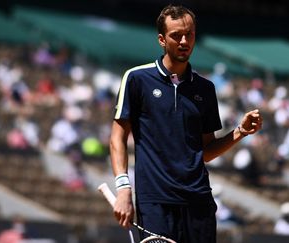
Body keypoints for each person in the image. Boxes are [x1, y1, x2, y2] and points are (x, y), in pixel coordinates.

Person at [109, 4, 263, 243]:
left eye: (189, 34)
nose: (184, 41)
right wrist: (123, 188)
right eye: (176, 35)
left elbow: (206, 152)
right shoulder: (137, 79)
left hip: (199, 201)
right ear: (161, 39)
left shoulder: (206, 88)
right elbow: (117, 138)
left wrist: (241, 132)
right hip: (156, 202)